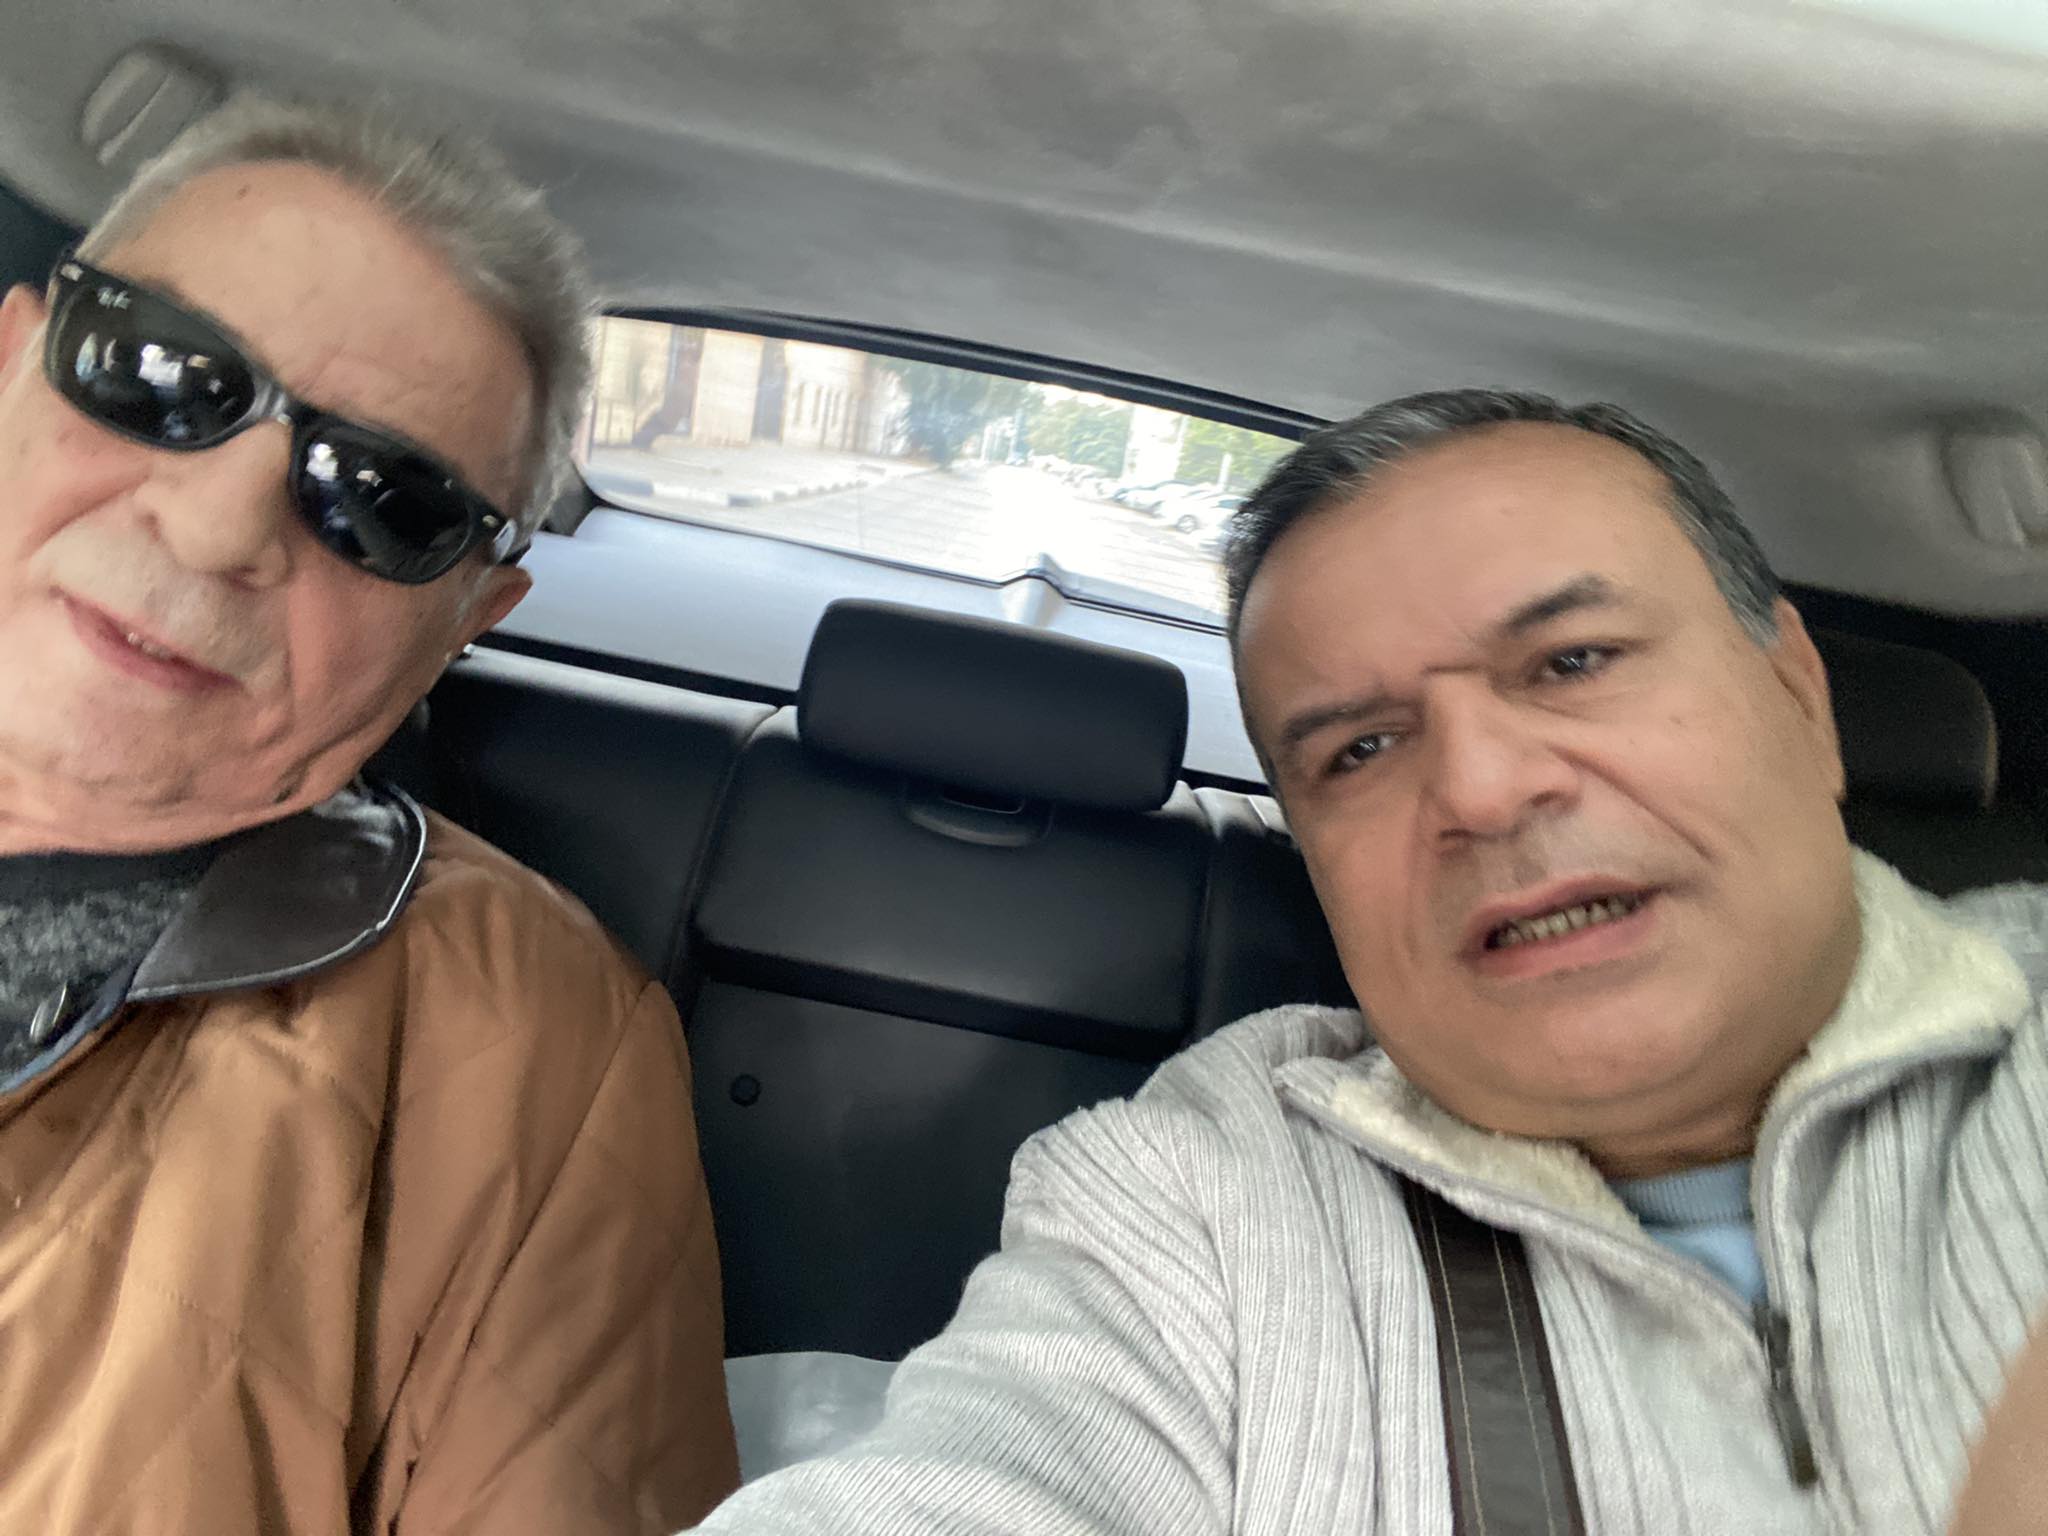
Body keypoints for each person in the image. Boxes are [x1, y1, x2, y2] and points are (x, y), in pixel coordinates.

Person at [690, 390, 2048, 1533]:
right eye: (1360, 749)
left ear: (1799, 696)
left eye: (1572, 661)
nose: (1483, 789)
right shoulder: (1198, 1192)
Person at [0, 96, 738, 1531]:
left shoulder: (535, 1051)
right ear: (14, 359)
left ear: (468, 620)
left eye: (384, 502)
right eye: (159, 375)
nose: (216, 528)